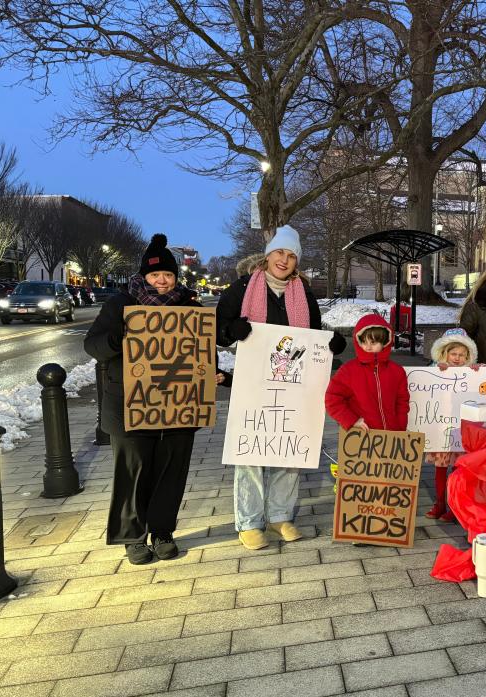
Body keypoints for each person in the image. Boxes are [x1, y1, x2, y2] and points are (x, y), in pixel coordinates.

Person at [85, 233, 230, 565]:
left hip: (179, 404)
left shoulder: (190, 307)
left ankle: (162, 531)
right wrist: (115, 339)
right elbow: (93, 346)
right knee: (133, 471)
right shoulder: (120, 305)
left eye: (167, 274)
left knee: (171, 472)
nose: (162, 280)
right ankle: (132, 536)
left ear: (175, 276)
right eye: (155, 275)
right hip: (130, 405)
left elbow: (201, 353)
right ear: (143, 276)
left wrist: (213, 374)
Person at [216, 225, 346, 550]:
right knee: (251, 452)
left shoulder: (303, 294)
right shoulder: (243, 287)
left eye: (291, 256)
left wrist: (331, 347)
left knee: (290, 451)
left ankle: (279, 516)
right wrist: (233, 328)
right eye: (279, 253)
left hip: (293, 385)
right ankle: (249, 522)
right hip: (253, 384)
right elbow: (218, 330)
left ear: (296, 262)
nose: (284, 260)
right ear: (268, 255)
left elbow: (313, 336)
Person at [425, 328, 480, 521]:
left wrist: (479, 373)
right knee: (440, 469)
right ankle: (440, 503)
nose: (457, 358)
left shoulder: (472, 372)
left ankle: (456, 507)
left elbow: (483, 390)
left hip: (461, 430)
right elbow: (424, 385)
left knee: (458, 470)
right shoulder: (435, 369)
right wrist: (436, 369)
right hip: (441, 428)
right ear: (445, 353)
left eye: (462, 355)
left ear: (468, 356)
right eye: (453, 354)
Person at [325, 313, 409, 433]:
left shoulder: (397, 372)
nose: (368, 347)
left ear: (385, 342)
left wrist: (400, 429)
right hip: (363, 438)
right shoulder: (348, 371)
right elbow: (332, 398)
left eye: (373, 343)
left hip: (391, 439)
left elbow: (402, 403)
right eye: (364, 342)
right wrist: (352, 420)